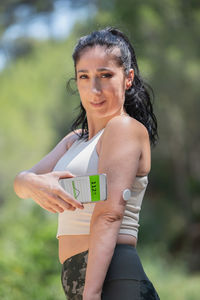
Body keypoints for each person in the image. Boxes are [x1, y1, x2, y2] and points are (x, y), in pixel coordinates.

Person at [14, 27, 160, 300]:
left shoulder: (123, 128)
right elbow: (20, 183)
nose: (94, 88)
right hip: (79, 276)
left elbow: (109, 215)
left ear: (127, 78)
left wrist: (91, 293)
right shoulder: (74, 141)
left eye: (105, 75)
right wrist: (33, 182)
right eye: (85, 76)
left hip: (111, 276)